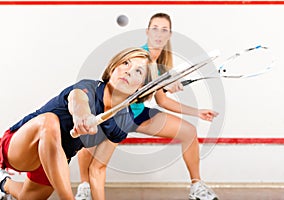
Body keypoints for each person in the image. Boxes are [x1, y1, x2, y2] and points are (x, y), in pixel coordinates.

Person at [75, 13, 219, 200]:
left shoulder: (162, 63)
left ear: (169, 35)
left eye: (164, 30)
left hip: (138, 114)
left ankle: (197, 186)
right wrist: (162, 82)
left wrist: (197, 112)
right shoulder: (139, 56)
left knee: (189, 131)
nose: (159, 34)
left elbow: (162, 101)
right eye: (155, 29)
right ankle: (85, 186)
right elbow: (133, 81)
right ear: (147, 32)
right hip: (118, 112)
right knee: (88, 143)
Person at [0, 47, 154, 200]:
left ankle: (3, 183)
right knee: (49, 121)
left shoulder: (121, 124)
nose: (129, 71)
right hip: (21, 146)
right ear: (114, 67)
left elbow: (98, 169)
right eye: (126, 63)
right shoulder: (89, 87)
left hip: (55, 160)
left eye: (138, 71)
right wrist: (82, 116)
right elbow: (77, 99)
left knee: (25, 197)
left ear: (142, 86)